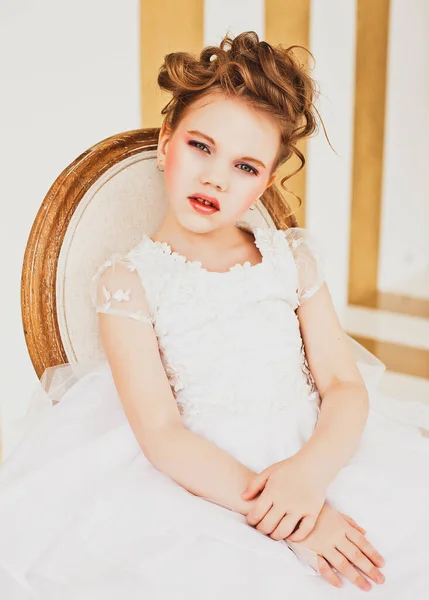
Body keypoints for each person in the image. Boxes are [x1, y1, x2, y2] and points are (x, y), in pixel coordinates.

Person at [1, 31, 428, 600]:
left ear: (266, 184)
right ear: (165, 143)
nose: (216, 177)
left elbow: (343, 383)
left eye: (245, 166)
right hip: (204, 482)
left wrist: (309, 477)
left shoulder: (292, 260)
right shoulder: (130, 283)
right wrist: (289, 517)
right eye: (201, 146)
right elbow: (162, 434)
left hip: (316, 452)